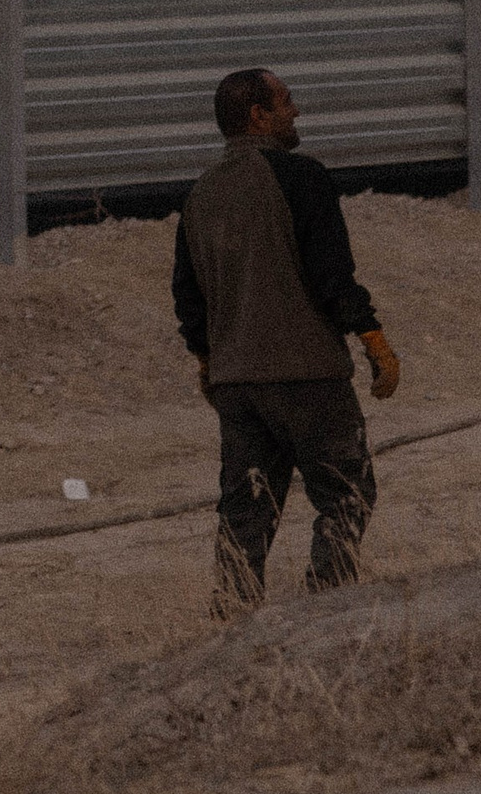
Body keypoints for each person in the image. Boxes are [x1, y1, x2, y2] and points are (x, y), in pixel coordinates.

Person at [172, 66, 401, 618]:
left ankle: (232, 623)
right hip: (307, 375)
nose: (296, 111)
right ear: (258, 116)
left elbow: (187, 293)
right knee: (346, 494)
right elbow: (331, 273)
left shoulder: (200, 193)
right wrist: (372, 337)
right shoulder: (301, 178)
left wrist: (208, 361)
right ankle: (324, 614)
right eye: (287, 102)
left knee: (245, 512)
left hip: (237, 384)